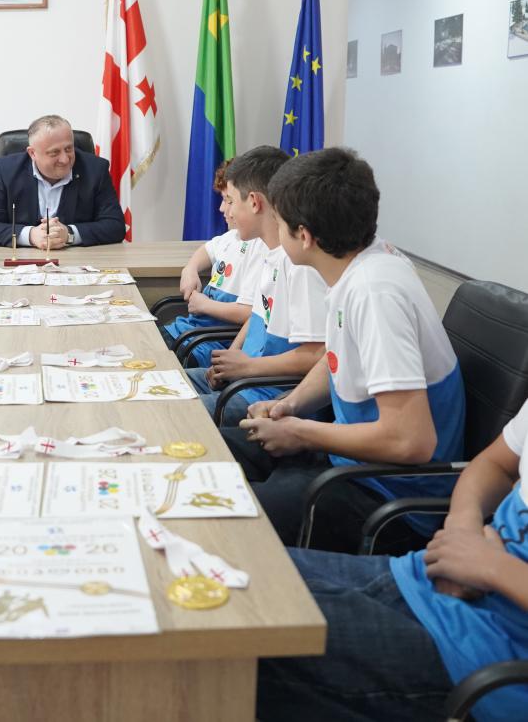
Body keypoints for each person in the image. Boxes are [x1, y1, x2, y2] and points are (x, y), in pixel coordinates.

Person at [231, 148, 465, 553]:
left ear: (304, 236)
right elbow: (337, 358)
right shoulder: (360, 264)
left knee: (231, 520)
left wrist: (300, 433)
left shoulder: (375, 293)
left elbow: (412, 441)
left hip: (388, 499)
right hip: (351, 465)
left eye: (280, 223)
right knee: (218, 452)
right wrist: (290, 405)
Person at [257, 396, 528, 722]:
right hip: (428, 576)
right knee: (243, 576)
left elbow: (410, 441)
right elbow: (494, 464)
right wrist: (463, 527)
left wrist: (493, 568)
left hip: (486, 661)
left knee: (242, 634)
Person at [185, 146, 326, 426]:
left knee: (176, 413)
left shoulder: (299, 263)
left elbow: (318, 353)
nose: (225, 210)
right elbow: (257, 316)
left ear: (253, 202)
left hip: (267, 394)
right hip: (244, 379)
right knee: (158, 389)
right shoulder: (270, 253)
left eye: (231, 201)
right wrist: (233, 356)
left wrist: (247, 366)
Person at [161, 159, 263, 368]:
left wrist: (204, 305)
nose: (222, 208)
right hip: (188, 331)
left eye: (229, 201)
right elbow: (206, 250)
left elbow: (250, 313)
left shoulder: (260, 246)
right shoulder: (232, 237)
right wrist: (190, 269)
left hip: (205, 342)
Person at [0, 115, 126, 248]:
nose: (65, 159)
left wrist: (69, 234)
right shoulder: (4, 170)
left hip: (78, 262)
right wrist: (30, 235)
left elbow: (115, 226)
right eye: (54, 152)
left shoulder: (96, 169)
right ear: (32, 153)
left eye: (69, 149)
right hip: (21, 263)